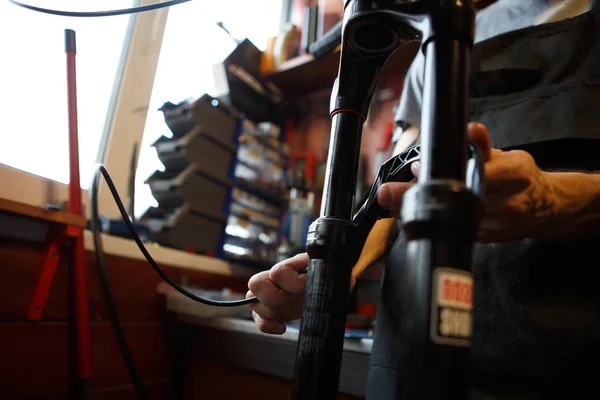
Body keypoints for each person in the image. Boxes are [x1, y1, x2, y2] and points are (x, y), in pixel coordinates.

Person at [247, 0, 600, 398]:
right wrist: (336, 272)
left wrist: (554, 199)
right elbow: (393, 190)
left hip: (567, 360)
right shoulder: (433, 37)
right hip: (404, 361)